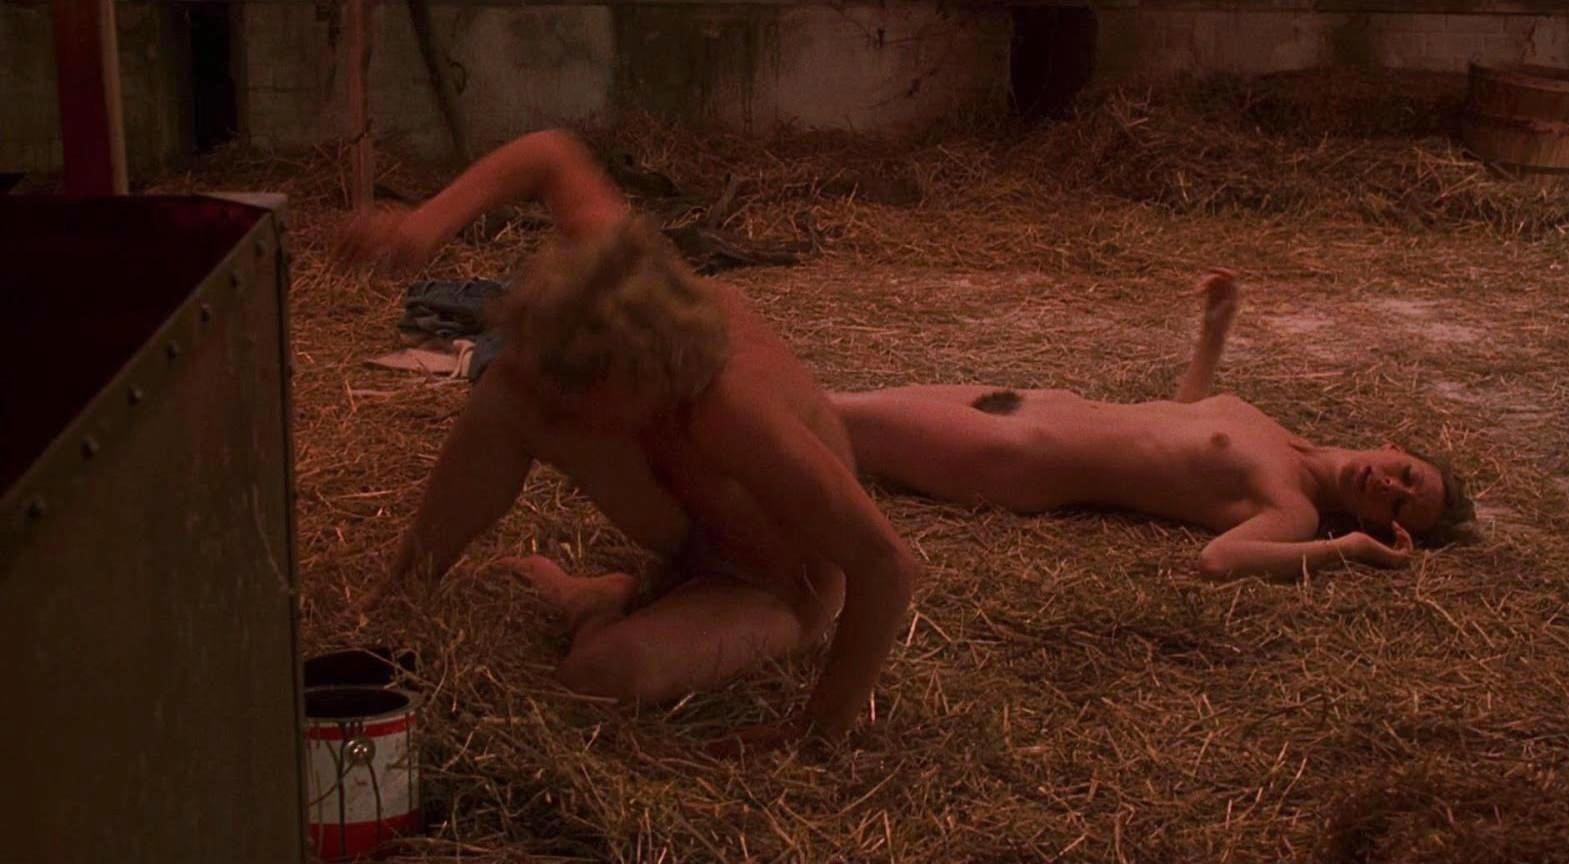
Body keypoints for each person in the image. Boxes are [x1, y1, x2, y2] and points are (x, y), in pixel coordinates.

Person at [336, 130, 920, 747]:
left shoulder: (733, 412)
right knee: (511, 387)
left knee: (598, 674)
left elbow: (886, 565)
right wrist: (422, 226)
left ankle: (596, 606)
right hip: (692, 530)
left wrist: (818, 731)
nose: (562, 412)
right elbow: (550, 153)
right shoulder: (620, 275)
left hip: (773, 588)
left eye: (579, 396)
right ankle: (405, 588)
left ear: (636, 378)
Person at [830, 271, 1475, 579]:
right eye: (1406, 475)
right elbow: (1178, 423)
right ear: (1393, 447)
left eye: (1398, 506)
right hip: (1040, 404)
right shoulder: (1281, 436)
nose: (1389, 486)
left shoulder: (1294, 509)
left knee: (832, 418)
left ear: (1379, 524)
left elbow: (1219, 560)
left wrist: (1352, 551)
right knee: (837, 408)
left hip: (1020, 456)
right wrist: (1214, 333)